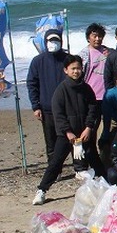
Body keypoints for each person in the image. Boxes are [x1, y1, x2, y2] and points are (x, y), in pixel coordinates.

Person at [32, 56, 104, 205]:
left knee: (94, 159)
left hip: (84, 132)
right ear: (66, 70)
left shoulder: (86, 89)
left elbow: (93, 109)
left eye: (78, 68)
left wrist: (89, 127)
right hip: (66, 135)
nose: (76, 71)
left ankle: (108, 186)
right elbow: (58, 114)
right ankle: (42, 190)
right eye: (73, 68)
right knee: (56, 162)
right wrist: (67, 132)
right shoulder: (61, 90)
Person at [27, 28, 68, 159]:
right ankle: (54, 169)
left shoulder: (68, 59)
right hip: (47, 108)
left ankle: (78, 167)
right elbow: (32, 84)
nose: (53, 43)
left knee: (71, 137)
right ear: (45, 42)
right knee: (51, 141)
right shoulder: (38, 61)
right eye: (50, 40)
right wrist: (36, 106)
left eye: (56, 40)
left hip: (67, 108)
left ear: (61, 41)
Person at [77, 23, 109, 102]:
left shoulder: (109, 52)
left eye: (100, 36)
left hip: (107, 95)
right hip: (90, 95)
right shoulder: (82, 55)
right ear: (88, 38)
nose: (97, 39)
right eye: (94, 36)